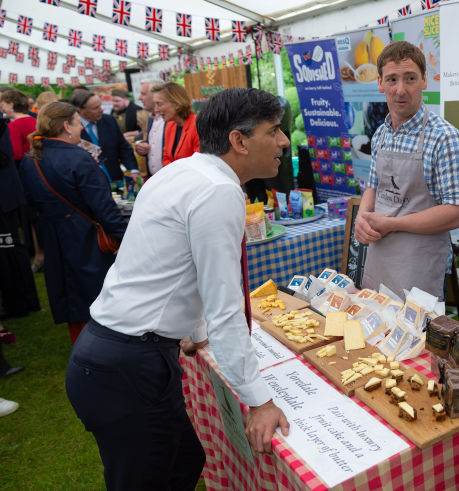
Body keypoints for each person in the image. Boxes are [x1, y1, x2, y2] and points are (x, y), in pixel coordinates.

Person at [65, 88, 291, 491]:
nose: (284, 141)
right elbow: (224, 306)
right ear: (239, 141)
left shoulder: (185, 170)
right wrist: (260, 401)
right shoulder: (217, 190)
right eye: (274, 131)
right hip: (129, 363)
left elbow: (174, 268)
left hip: (118, 355)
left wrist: (195, 331)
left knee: (185, 462)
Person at [356, 41, 459, 299]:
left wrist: (393, 224)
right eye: (391, 80)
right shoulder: (380, 134)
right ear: (379, 83)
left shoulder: (445, 138)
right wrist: (362, 218)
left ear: (424, 82)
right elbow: (373, 187)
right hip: (379, 258)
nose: (400, 89)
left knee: (416, 337)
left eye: (410, 78)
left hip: (418, 264)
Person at [20, 102, 127, 344]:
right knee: (96, 297)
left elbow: (30, 202)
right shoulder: (78, 157)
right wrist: (126, 238)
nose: (81, 128)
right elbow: (104, 208)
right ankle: (99, 351)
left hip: (55, 237)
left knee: (71, 296)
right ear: (67, 126)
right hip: (85, 236)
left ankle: (82, 350)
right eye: (78, 123)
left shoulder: (30, 159)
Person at [0, 113, 40, 322]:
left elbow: (6, 156)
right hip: (7, 193)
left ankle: (20, 302)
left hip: (5, 196)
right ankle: (21, 301)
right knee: (11, 248)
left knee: (10, 248)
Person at [70, 90, 140, 183]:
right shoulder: (71, 128)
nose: (101, 110)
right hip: (90, 183)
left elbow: (124, 148)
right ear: (80, 110)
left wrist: (133, 171)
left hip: (115, 180)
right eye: (95, 108)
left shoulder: (109, 120)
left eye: (100, 105)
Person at [154, 82, 200, 167]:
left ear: (177, 104)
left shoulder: (197, 125)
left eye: (159, 104)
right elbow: (166, 158)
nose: (156, 109)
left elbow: (199, 161)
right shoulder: (170, 125)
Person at [133, 78, 166, 177]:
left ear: (156, 95)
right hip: (154, 179)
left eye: (143, 94)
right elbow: (154, 145)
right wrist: (142, 147)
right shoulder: (152, 118)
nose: (139, 98)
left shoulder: (170, 119)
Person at [0, 88, 36, 162]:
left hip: (22, 166)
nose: (1, 108)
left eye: (2, 104)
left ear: (11, 105)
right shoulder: (35, 121)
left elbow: (16, 154)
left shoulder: (14, 126)